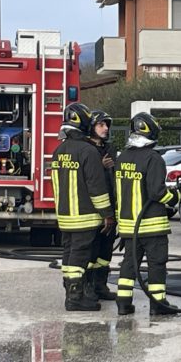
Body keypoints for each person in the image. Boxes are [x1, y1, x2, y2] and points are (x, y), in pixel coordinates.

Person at [114, 112, 181, 316]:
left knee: (129, 264)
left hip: (128, 226)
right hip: (152, 226)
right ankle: (158, 305)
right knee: (156, 264)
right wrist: (176, 197)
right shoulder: (154, 159)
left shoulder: (122, 158)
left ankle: (123, 303)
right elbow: (157, 192)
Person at [52, 102, 115, 312]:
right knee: (80, 258)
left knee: (69, 256)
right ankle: (75, 298)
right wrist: (107, 214)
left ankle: (72, 293)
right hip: (85, 216)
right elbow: (97, 189)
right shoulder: (88, 151)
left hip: (65, 216)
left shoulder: (59, 150)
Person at [84, 109, 118, 301]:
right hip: (92, 210)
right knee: (91, 251)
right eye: (101, 124)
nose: (105, 128)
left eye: (107, 125)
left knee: (105, 251)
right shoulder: (85, 149)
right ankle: (87, 287)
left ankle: (100, 285)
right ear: (91, 127)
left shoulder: (110, 149)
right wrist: (99, 166)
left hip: (110, 208)